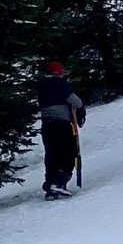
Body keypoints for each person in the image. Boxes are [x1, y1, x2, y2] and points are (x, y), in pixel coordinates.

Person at [38, 62, 86, 198]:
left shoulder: (41, 85)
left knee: (52, 154)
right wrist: (81, 108)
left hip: (46, 124)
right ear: (59, 72)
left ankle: (50, 184)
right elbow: (75, 101)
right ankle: (59, 183)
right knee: (68, 152)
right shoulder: (60, 83)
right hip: (61, 123)